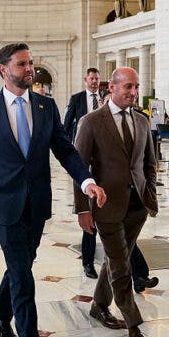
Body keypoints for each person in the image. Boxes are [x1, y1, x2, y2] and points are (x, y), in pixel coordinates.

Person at [0, 43, 106, 337]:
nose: (30, 69)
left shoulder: (45, 106)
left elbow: (64, 149)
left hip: (37, 204)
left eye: (30, 63)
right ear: (3, 69)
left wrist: (86, 180)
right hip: (4, 206)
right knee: (24, 281)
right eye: (22, 64)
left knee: (20, 266)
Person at [75, 67, 157, 337]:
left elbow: (149, 164)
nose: (134, 93)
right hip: (105, 205)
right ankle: (135, 331)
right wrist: (82, 210)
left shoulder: (142, 121)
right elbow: (78, 169)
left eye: (137, 87)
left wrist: (150, 196)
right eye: (128, 87)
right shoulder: (91, 122)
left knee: (116, 259)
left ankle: (99, 305)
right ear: (112, 87)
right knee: (121, 265)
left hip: (137, 208)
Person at [62, 67, 102, 278]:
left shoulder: (105, 98)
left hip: (103, 160)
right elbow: (66, 126)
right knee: (89, 212)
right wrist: (70, 150)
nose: (95, 82)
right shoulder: (77, 99)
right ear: (85, 79)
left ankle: (138, 271)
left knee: (114, 219)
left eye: (97, 79)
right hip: (83, 159)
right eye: (92, 78)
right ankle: (88, 263)